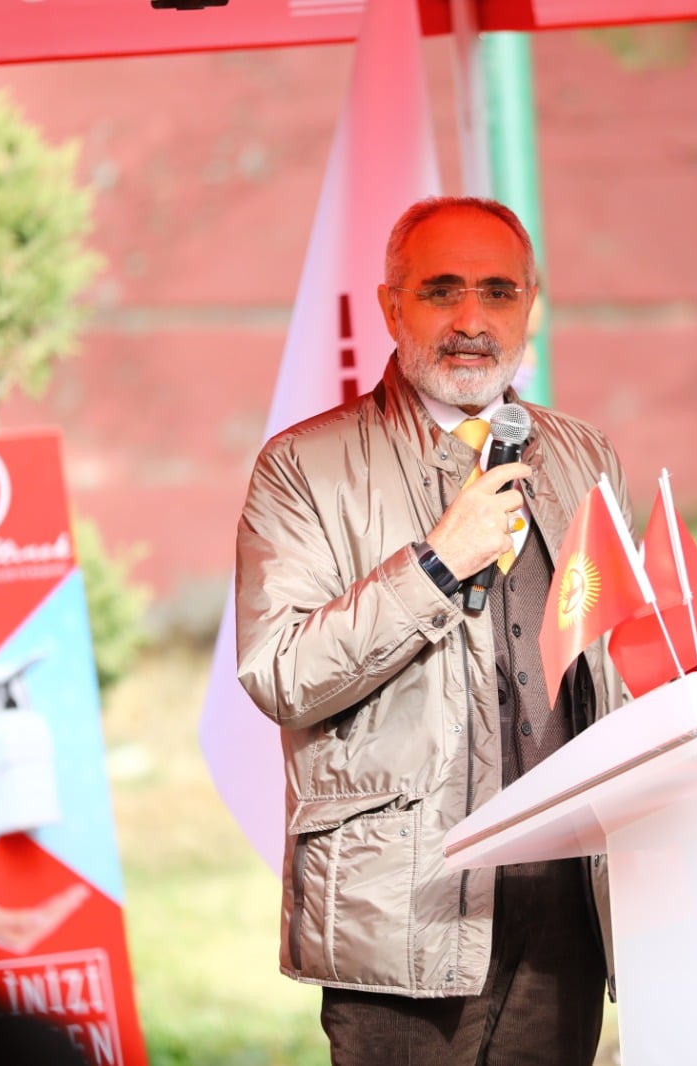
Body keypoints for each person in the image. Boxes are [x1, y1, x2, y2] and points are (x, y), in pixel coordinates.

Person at [234, 196, 631, 1065]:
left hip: (568, 910)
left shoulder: (585, 455)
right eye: (442, 290)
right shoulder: (304, 466)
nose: (471, 321)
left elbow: (621, 656)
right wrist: (436, 564)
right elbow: (281, 672)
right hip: (404, 911)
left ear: (531, 306)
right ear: (390, 307)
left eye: (498, 292)